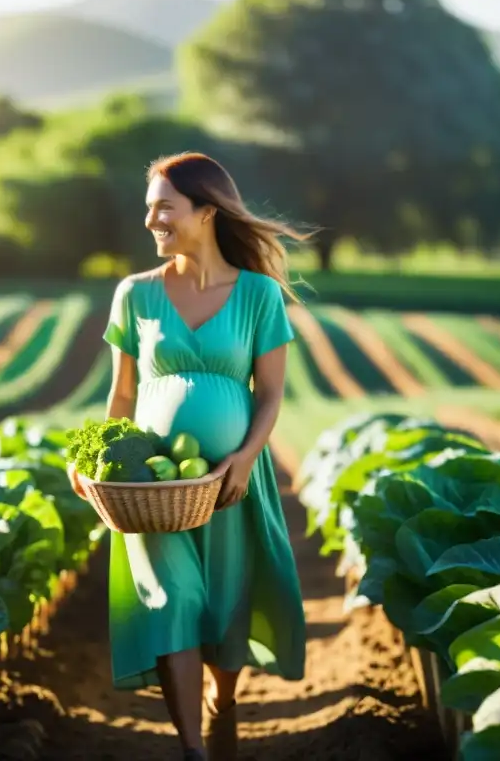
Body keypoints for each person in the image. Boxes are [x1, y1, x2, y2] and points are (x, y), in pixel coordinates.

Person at [68, 152, 309, 761]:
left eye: (164, 208)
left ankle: (220, 702)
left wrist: (247, 458)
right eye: (148, 208)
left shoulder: (257, 295)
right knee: (173, 602)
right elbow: (122, 395)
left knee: (227, 614)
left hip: (228, 485)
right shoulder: (135, 295)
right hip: (150, 492)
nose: (151, 220)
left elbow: (272, 393)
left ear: (206, 212)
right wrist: (99, 461)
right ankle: (194, 753)